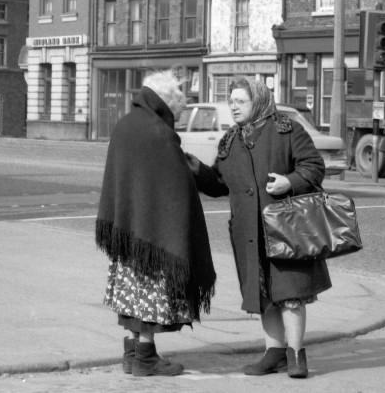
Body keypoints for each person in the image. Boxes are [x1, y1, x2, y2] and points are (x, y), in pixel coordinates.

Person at [190, 77, 329, 379]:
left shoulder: (287, 129)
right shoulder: (230, 139)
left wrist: (289, 182)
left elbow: (314, 166)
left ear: (258, 101)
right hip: (248, 232)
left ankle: (295, 354)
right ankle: (273, 352)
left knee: (290, 293)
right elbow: (218, 184)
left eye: (241, 101)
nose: (234, 106)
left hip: (285, 228)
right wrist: (196, 169)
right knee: (262, 294)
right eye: (232, 101)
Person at [95, 70, 216, 377]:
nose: (175, 115)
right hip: (152, 234)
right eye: (176, 108)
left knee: (130, 292)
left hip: (130, 232)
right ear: (165, 102)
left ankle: (133, 352)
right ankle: (146, 356)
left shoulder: (126, 124)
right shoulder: (158, 132)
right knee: (149, 294)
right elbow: (174, 187)